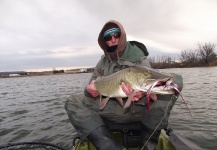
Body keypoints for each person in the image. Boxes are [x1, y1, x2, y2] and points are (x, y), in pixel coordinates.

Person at [65, 20, 183, 150]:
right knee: (72, 102)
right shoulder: (102, 63)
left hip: (139, 109)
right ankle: (110, 146)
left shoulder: (138, 57)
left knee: (177, 80)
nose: (113, 39)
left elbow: (148, 79)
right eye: (108, 37)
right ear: (105, 41)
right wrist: (89, 90)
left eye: (116, 34)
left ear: (122, 36)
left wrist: (143, 93)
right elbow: (90, 89)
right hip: (113, 109)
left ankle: (148, 143)